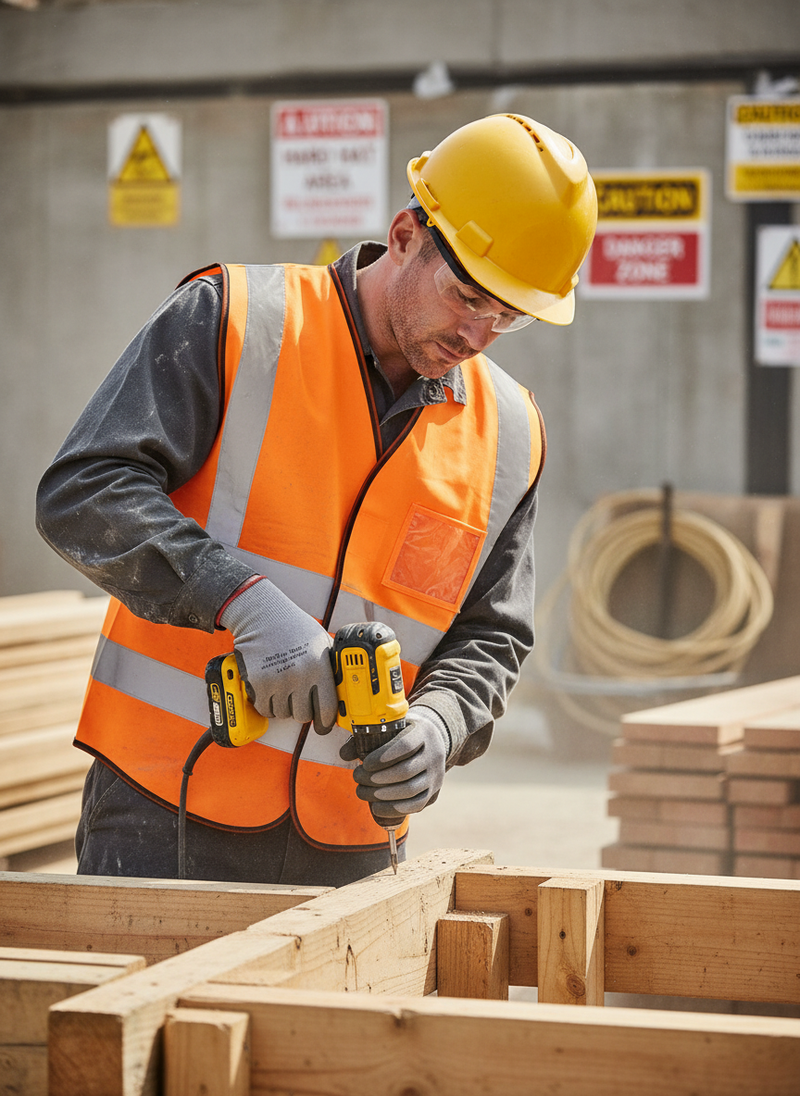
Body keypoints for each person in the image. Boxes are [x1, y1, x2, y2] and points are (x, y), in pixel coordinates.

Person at [36, 113, 597, 887]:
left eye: (510, 314)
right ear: (405, 234)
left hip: (354, 838)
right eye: (466, 293)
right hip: (164, 807)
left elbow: (493, 635)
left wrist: (442, 723)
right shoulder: (236, 321)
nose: (479, 332)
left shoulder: (510, 433)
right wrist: (238, 601)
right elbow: (83, 491)